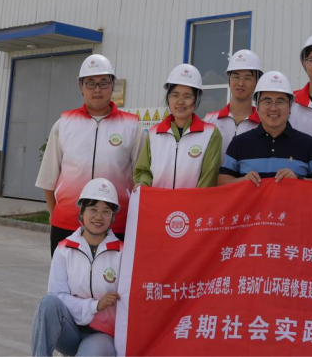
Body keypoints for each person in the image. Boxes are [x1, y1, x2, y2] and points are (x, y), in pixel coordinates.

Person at [35, 54, 142, 253]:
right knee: (65, 274)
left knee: (113, 274)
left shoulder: (131, 126)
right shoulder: (64, 124)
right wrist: (54, 213)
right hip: (67, 223)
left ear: (113, 84)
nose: (97, 90)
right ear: (80, 86)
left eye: (103, 83)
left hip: (116, 224)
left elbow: (141, 178)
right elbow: (48, 178)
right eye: (90, 83)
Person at [30, 178, 123, 357]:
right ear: (82, 212)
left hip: (101, 335)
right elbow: (57, 296)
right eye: (93, 209)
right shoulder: (64, 249)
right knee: (48, 303)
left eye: (106, 211)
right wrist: (96, 305)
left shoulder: (122, 253)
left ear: (112, 217)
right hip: (69, 331)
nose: (98, 217)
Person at [219, 71, 312, 185]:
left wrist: (299, 179)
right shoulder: (239, 143)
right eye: (267, 101)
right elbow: (222, 181)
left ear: (290, 106)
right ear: (257, 106)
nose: (273, 108)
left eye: (280, 102)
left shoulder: (308, 144)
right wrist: (243, 181)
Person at [134, 64, 222, 189]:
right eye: (175, 95)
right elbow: (143, 171)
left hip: (193, 201)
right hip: (158, 201)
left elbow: (209, 177)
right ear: (168, 97)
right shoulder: (154, 134)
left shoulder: (210, 134)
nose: (180, 102)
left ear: (196, 99)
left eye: (187, 96)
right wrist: (142, 183)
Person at [204, 49, 263, 161]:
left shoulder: (264, 124)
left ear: (257, 82)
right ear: (229, 79)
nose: (241, 83)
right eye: (236, 77)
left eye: (247, 78)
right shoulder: (209, 121)